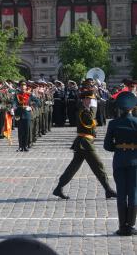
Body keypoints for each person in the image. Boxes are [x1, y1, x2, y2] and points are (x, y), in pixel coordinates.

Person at [53, 88, 117, 200]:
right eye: (90, 99)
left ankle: (58, 188)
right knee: (98, 165)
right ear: (85, 99)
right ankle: (108, 190)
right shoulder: (83, 111)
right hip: (85, 143)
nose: (92, 101)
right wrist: (94, 107)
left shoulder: (85, 109)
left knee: (73, 167)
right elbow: (89, 120)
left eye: (92, 100)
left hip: (84, 142)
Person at [104, 91, 137, 236]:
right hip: (135, 160)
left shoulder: (113, 123)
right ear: (132, 107)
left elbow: (107, 145)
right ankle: (131, 225)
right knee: (134, 193)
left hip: (119, 160)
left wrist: (118, 148)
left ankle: (122, 226)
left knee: (122, 193)